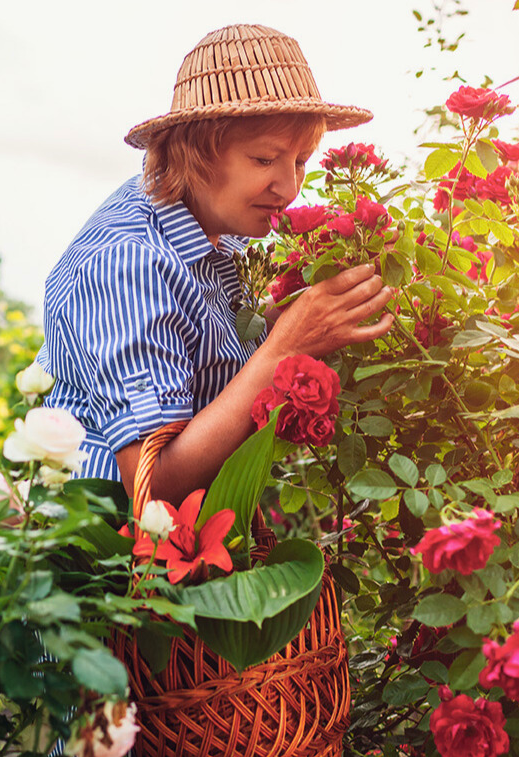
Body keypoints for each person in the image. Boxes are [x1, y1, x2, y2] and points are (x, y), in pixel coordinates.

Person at [36, 24, 395, 504]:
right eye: (265, 159)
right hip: (106, 558)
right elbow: (153, 485)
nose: (290, 189)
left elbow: (200, 352)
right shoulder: (127, 263)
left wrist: (281, 323)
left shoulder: (206, 221)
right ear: (196, 152)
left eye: (301, 161)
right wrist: (286, 348)